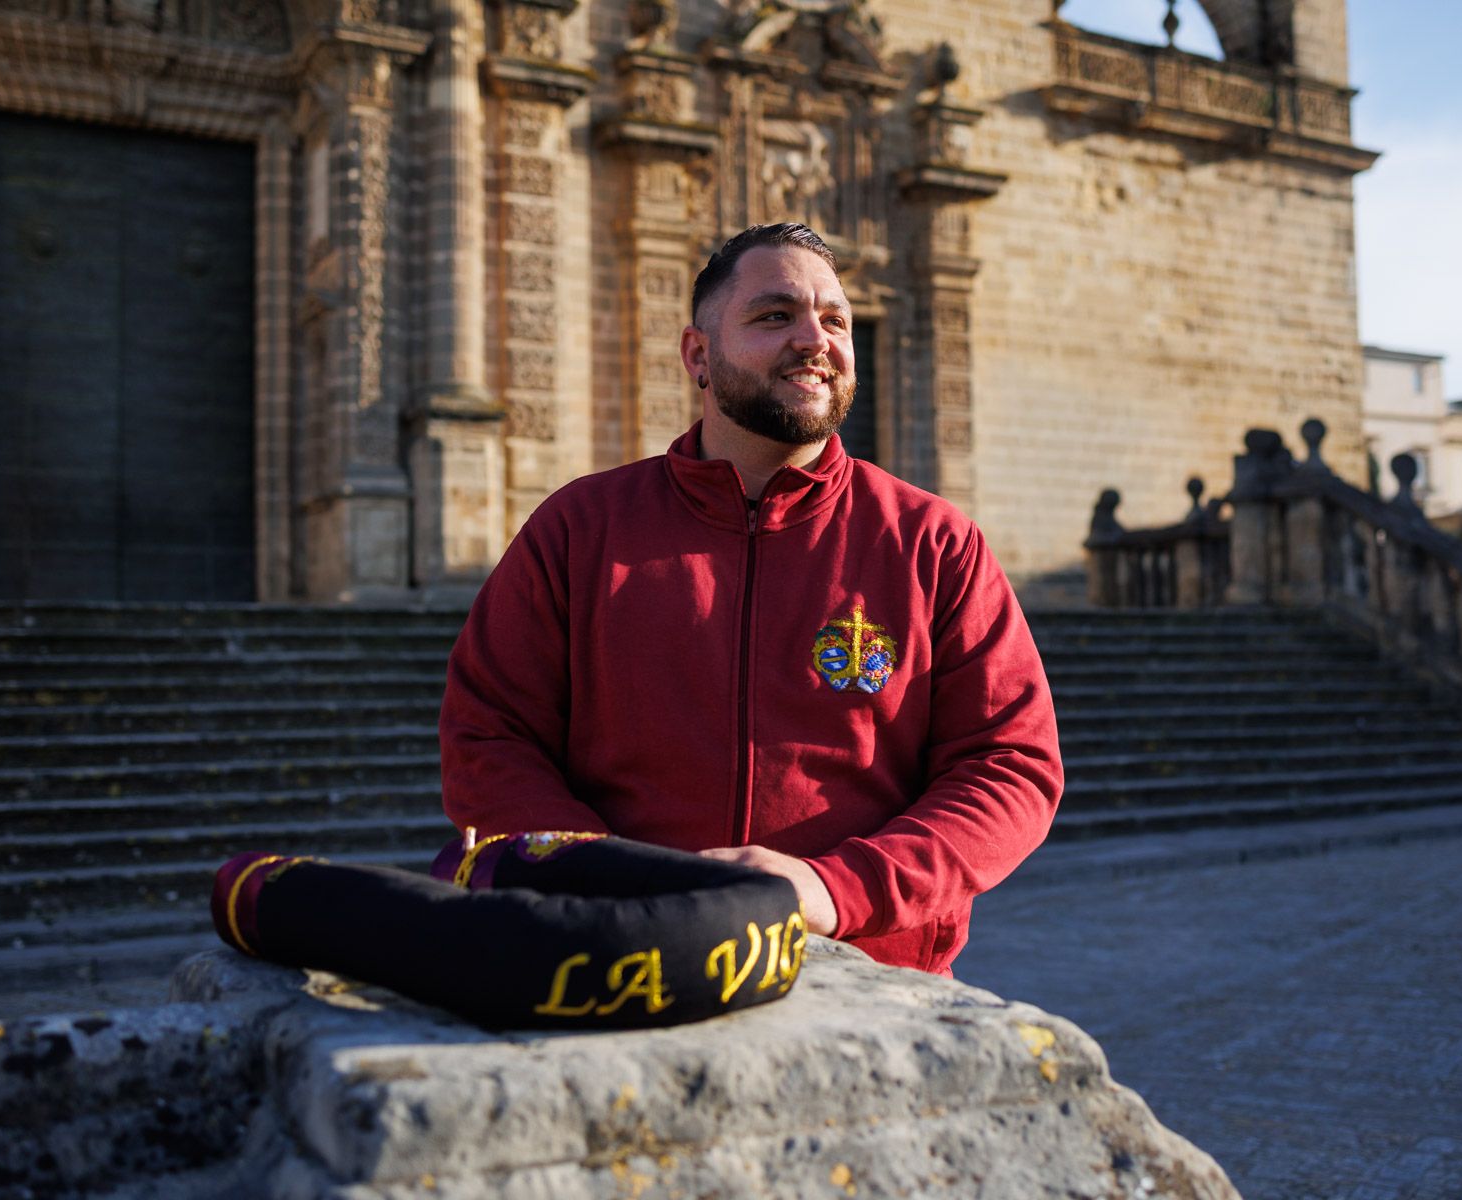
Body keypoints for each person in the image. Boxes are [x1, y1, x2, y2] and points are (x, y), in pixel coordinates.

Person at [440, 222, 1062, 974]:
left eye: (835, 320)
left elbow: (1010, 765)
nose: (815, 339)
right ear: (698, 356)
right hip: (618, 957)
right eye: (775, 316)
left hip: (864, 974)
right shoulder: (578, 531)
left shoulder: (934, 544)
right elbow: (489, 736)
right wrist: (605, 879)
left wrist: (836, 889)